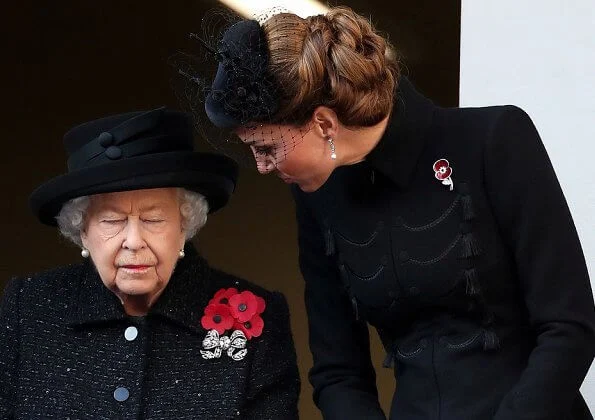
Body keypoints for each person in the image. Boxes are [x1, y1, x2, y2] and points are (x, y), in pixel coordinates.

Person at [175, 5, 595, 420]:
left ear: (323, 124)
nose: (263, 166)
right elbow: (338, 371)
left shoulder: (493, 140)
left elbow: (569, 327)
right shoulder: (317, 197)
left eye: (268, 148)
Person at [0, 107, 300, 419]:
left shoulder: (258, 319)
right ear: (83, 231)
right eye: (112, 220)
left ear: (185, 224)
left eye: (153, 219)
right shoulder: (30, 307)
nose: (134, 240)